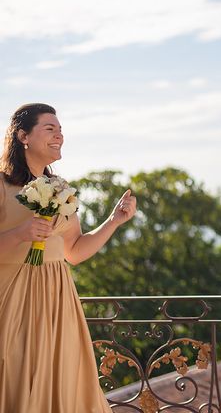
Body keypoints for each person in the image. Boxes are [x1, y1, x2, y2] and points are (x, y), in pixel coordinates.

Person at [0, 103, 136, 413]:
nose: (59, 135)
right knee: (13, 378)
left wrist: (114, 221)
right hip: (11, 304)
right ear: (23, 136)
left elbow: (74, 251)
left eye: (60, 130)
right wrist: (20, 234)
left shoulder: (61, 190)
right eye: (50, 129)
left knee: (61, 384)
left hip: (56, 305)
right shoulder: (1, 184)